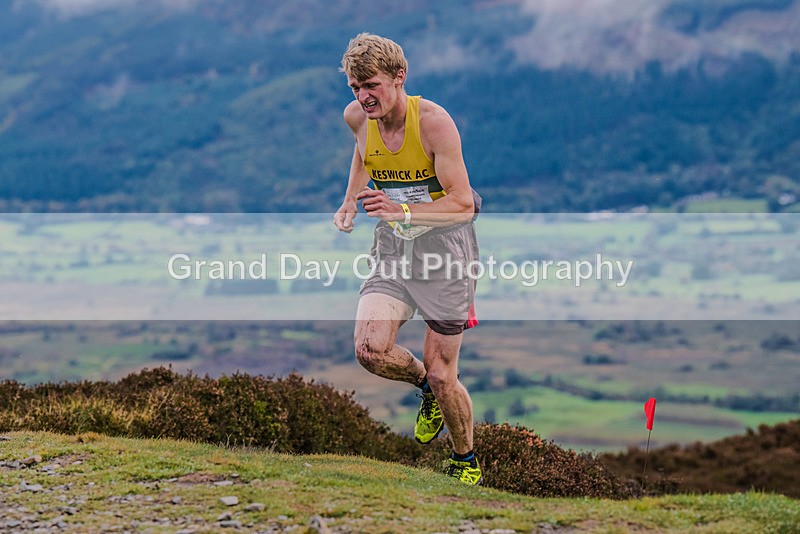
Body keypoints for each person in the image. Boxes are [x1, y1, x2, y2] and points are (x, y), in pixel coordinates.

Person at [333, 33, 482, 485]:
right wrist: (349, 199)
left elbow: (464, 204)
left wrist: (402, 211)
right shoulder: (358, 117)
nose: (363, 96)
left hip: (446, 255)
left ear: (400, 77)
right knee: (369, 350)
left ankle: (465, 459)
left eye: (372, 85)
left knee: (443, 374)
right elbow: (363, 154)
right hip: (394, 249)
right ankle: (424, 389)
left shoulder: (434, 123)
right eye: (355, 87)